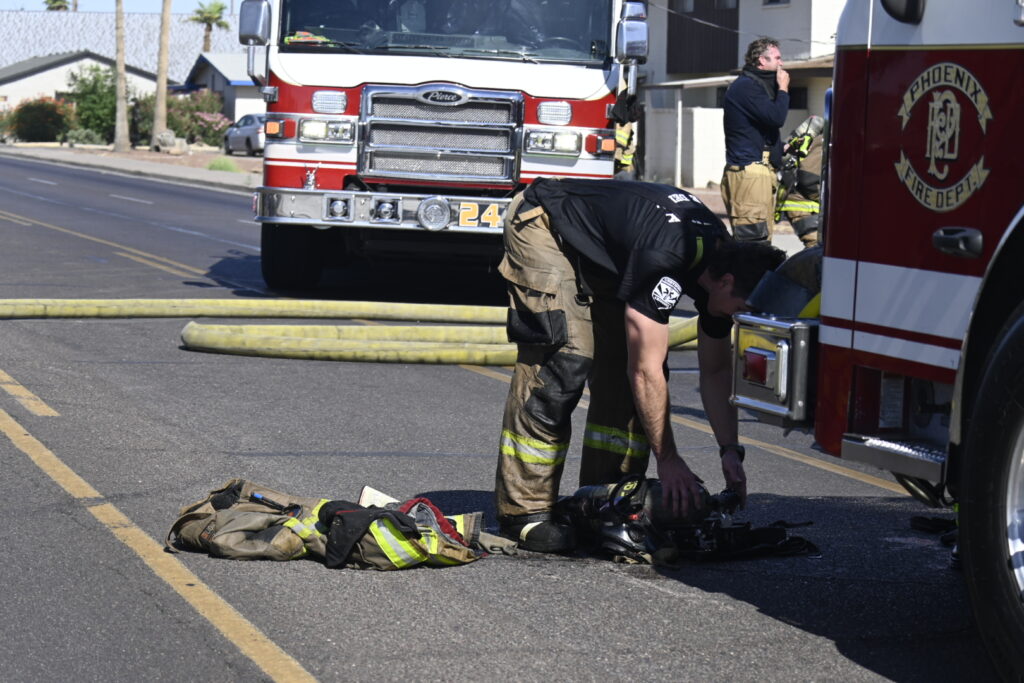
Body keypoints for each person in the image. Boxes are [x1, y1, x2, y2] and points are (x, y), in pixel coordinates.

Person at [495, 177, 786, 552]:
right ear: (726, 283)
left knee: (628, 380)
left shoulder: (722, 265)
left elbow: (715, 371)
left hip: (609, 251)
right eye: (741, 309)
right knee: (565, 359)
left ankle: (602, 501)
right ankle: (524, 513)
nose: (739, 319)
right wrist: (669, 459)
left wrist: (730, 450)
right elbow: (646, 371)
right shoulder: (666, 258)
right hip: (548, 226)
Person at [720, 37, 790, 243]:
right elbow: (776, 117)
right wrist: (783, 88)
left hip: (758, 173)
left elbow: (757, 130)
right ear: (762, 60)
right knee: (752, 244)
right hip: (750, 174)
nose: (781, 63)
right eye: (777, 58)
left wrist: (781, 148)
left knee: (763, 241)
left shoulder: (757, 86)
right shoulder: (747, 87)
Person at [775, 115, 824, 249]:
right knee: (816, 248)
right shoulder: (822, 140)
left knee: (820, 248)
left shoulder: (819, 135)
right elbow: (809, 180)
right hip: (799, 202)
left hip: (801, 199)